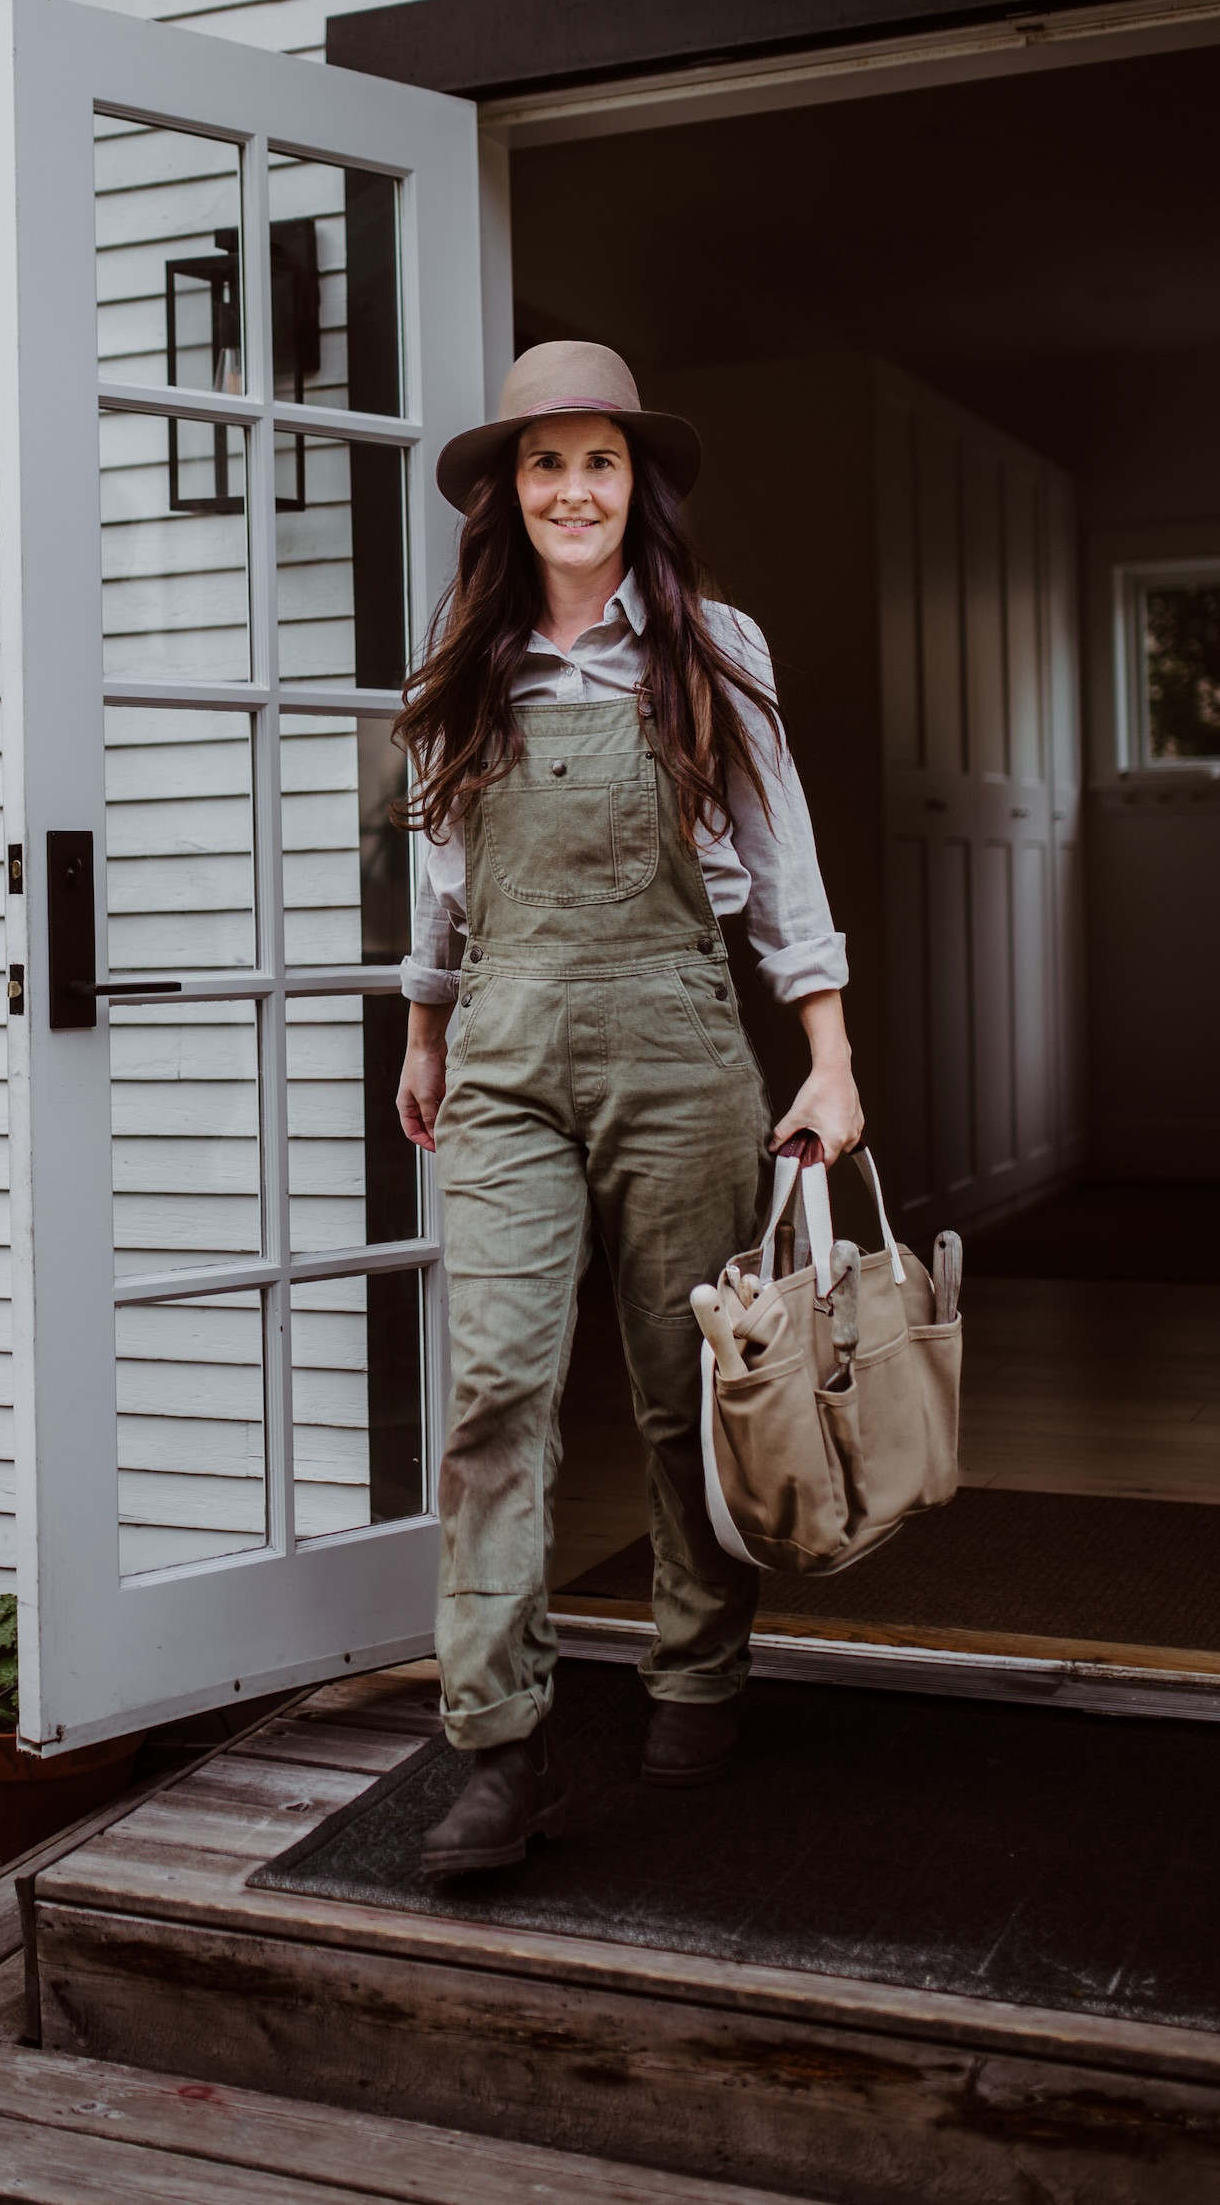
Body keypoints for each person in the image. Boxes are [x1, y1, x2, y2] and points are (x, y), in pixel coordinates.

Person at [395, 341, 863, 1876]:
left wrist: (831, 1056)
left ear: (634, 485)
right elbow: (447, 872)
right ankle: (494, 1746)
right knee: (495, 1399)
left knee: (685, 1394)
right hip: (509, 1046)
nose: (574, 490)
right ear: (507, 495)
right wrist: (425, 1031)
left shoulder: (714, 646)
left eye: (599, 462)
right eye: (545, 464)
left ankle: (699, 1672)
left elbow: (781, 863)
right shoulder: (466, 649)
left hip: (679, 1041)